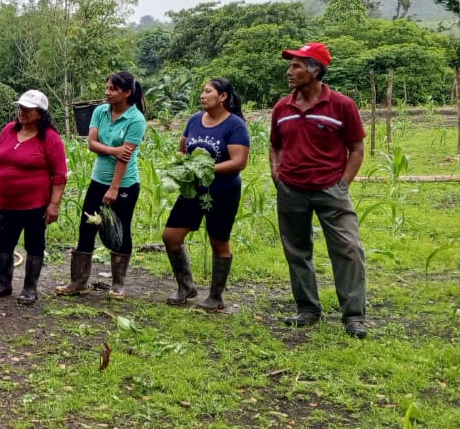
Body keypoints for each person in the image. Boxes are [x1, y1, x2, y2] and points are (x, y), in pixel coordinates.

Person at [269, 42, 368, 337]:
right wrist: (277, 173)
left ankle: (353, 316)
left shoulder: (342, 105)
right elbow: (275, 145)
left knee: (348, 249)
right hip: (291, 190)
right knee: (297, 250)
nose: (289, 71)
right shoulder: (282, 108)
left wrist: (342, 184)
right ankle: (308, 309)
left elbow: (357, 149)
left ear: (314, 71)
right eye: (290, 66)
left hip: (330, 190)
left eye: (296, 66)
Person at [56, 71, 147, 299]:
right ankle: (79, 282)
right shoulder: (100, 111)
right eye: (107, 88)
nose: (108, 92)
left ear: (127, 93)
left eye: (113, 89)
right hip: (98, 181)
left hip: (124, 185)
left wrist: (114, 188)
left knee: (120, 230)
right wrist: (114, 150)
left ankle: (118, 284)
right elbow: (92, 144)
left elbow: (125, 158)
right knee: (86, 227)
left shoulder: (136, 119)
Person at [162, 78, 251, 311]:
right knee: (171, 236)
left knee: (219, 242)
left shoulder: (235, 126)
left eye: (208, 91)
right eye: (202, 91)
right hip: (193, 189)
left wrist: (205, 169)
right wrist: (182, 165)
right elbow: (182, 150)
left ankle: (215, 297)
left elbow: (239, 162)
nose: (202, 95)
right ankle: (186, 287)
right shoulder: (194, 120)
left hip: (223, 191)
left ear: (222, 97)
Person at [0, 90, 67, 305]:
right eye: (21, 107)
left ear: (40, 113)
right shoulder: (8, 130)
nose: (22, 112)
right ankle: (2, 284)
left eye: (28, 109)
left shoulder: (50, 138)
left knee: (34, 245)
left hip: (35, 205)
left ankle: (30, 288)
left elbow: (60, 175)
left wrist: (54, 204)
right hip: (8, 204)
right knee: (3, 242)